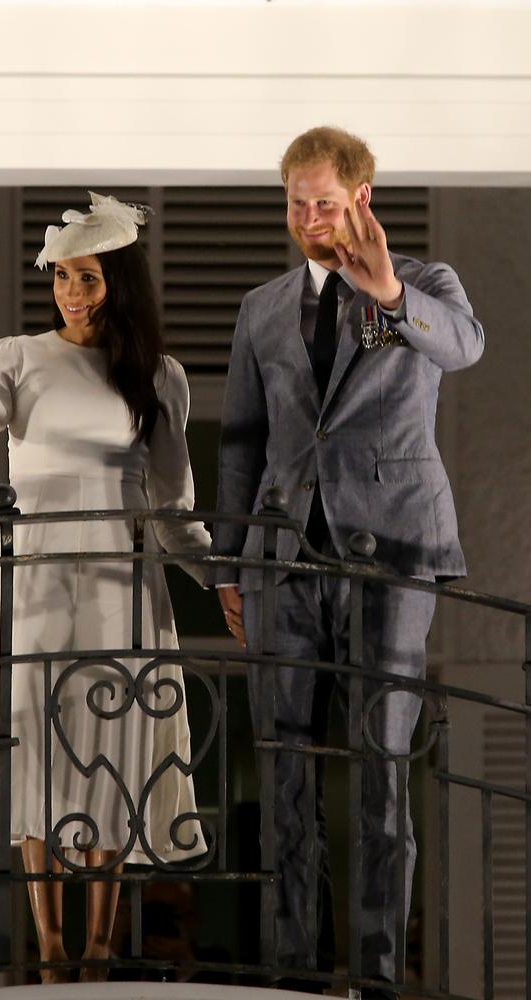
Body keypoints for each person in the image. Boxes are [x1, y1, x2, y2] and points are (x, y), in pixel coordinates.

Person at [211, 127, 484, 997]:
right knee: (283, 765)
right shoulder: (261, 306)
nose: (307, 218)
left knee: (380, 770)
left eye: (323, 202)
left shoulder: (427, 284)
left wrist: (391, 293)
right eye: (295, 203)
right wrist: (226, 566)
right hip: (282, 556)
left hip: (394, 553)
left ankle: (374, 977)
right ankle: (289, 970)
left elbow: (463, 347)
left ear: (363, 197)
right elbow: (243, 443)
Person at [0, 193, 211, 983]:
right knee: (34, 738)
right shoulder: (15, 356)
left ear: (119, 280)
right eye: (61, 277)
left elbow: (175, 507)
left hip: (121, 577)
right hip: (34, 576)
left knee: (112, 743)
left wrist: (219, 584)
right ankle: (49, 944)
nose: (71, 292)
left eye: (87, 277)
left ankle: (99, 943)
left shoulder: (160, 376)